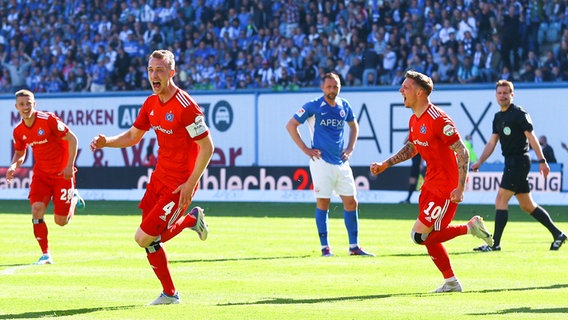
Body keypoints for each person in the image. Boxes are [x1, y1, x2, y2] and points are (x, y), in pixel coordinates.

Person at [89, 50, 214, 305]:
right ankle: (171, 290)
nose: (154, 75)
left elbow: (207, 147)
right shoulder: (150, 104)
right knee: (151, 239)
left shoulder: (186, 107)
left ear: (171, 72)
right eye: (150, 70)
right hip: (158, 178)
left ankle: (172, 293)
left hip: (179, 184)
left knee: (144, 237)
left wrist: (190, 184)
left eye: (159, 70)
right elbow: (134, 136)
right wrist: (106, 142)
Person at [370, 70, 493, 293]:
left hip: (445, 187)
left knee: (419, 236)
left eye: (405, 87)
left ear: (419, 92)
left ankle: (469, 228)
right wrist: (386, 163)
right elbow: (413, 147)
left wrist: (460, 188)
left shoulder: (439, 119)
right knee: (429, 237)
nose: (401, 91)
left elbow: (463, 151)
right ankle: (451, 282)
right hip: (430, 184)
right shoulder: (415, 119)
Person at [286, 72, 374, 257]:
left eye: (335, 86)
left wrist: (350, 148)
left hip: (341, 162)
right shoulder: (313, 105)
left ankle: (354, 247)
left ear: (339, 87)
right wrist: (306, 149)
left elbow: (354, 125)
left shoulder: (344, 105)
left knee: (351, 202)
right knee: (323, 202)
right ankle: (325, 248)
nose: (332, 89)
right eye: (329, 86)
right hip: (321, 162)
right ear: (322, 87)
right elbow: (291, 125)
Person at [471, 80, 566, 251]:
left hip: (519, 162)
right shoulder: (498, 117)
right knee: (527, 205)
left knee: (501, 199)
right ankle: (558, 233)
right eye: (500, 93)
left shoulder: (519, 113)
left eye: (506, 93)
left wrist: (542, 161)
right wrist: (480, 161)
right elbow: (492, 143)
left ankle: (495, 244)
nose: (502, 96)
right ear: (496, 95)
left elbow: (531, 137)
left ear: (512, 95)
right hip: (511, 162)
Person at [6, 89, 85, 265]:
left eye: (29, 103)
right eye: (22, 104)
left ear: (34, 104)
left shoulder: (48, 120)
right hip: (41, 175)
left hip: (62, 174)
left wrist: (69, 166)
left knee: (61, 221)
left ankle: (73, 199)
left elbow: (73, 139)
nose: (25, 107)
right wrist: (13, 165)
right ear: (16, 107)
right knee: (36, 209)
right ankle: (45, 254)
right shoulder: (19, 131)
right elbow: (20, 152)